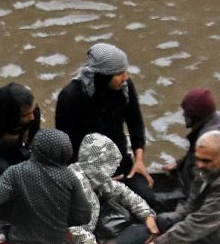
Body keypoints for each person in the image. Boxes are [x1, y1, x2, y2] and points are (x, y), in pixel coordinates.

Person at [54, 42, 150, 202]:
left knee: (148, 199)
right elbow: (66, 146)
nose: (126, 77)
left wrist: (139, 160)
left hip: (120, 161)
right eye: (119, 73)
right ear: (103, 76)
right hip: (86, 169)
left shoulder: (124, 88)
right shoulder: (71, 97)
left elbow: (135, 122)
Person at [67, 134, 159, 244]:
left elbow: (124, 193)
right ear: (97, 163)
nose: (112, 171)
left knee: (151, 221)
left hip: (92, 238)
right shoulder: (72, 185)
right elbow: (70, 227)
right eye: (109, 165)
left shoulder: (93, 175)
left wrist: (146, 214)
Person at [162, 88, 220, 214]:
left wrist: (183, 211)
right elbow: (193, 155)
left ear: (195, 116)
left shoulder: (207, 141)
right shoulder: (214, 121)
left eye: (186, 112)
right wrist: (179, 163)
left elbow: (201, 181)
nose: (183, 115)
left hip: (204, 195)